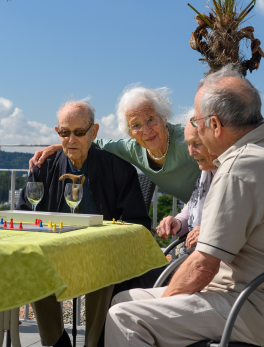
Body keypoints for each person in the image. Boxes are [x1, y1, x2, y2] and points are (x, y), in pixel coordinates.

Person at [105, 65, 264, 347]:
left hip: (246, 303)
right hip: (238, 289)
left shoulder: (236, 170)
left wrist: (160, 308)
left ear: (215, 125)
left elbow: (204, 266)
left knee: (127, 317)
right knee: (123, 299)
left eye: (197, 120)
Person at [17, 100, 152, 347]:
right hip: (54, 253)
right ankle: (56, 341)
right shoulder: (43, 167)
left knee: (104, 267)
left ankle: (95, 342)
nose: (71, 140)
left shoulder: (118, 169)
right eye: (64, 133)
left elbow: (138, 223)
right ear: (58, 132)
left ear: (94, 132)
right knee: (34, 266)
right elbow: (25, 211)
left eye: (79, 132)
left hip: (101, 255)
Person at [29, 86, 200, 203]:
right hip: (196, 213)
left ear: (164, 117)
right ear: (129, 133)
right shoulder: (133, 149)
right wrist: (63, 145)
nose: (146, 130)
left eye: (150, 119)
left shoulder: (188, 141)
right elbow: (96, 142)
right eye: (136, 125)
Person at [156, 117, 218, 253]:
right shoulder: (206, 175)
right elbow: (189, 210)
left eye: (196, 143)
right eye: (188, 144)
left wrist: (210, 232)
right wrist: (177, 223)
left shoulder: (231, 175)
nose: (191, 152)